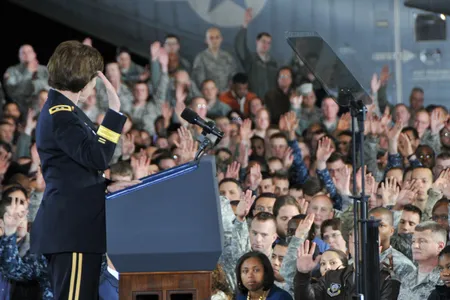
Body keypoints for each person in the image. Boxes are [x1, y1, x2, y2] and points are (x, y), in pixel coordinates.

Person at [30, 40, 138, 300]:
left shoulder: (66, 112)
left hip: (77, 228)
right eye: (93, 76)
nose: (94, 83)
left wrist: (110, 186)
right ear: (82, 77)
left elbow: (77, 170)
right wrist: (114, 112)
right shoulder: (61, 114)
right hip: (73, 230)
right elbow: (98, 157)